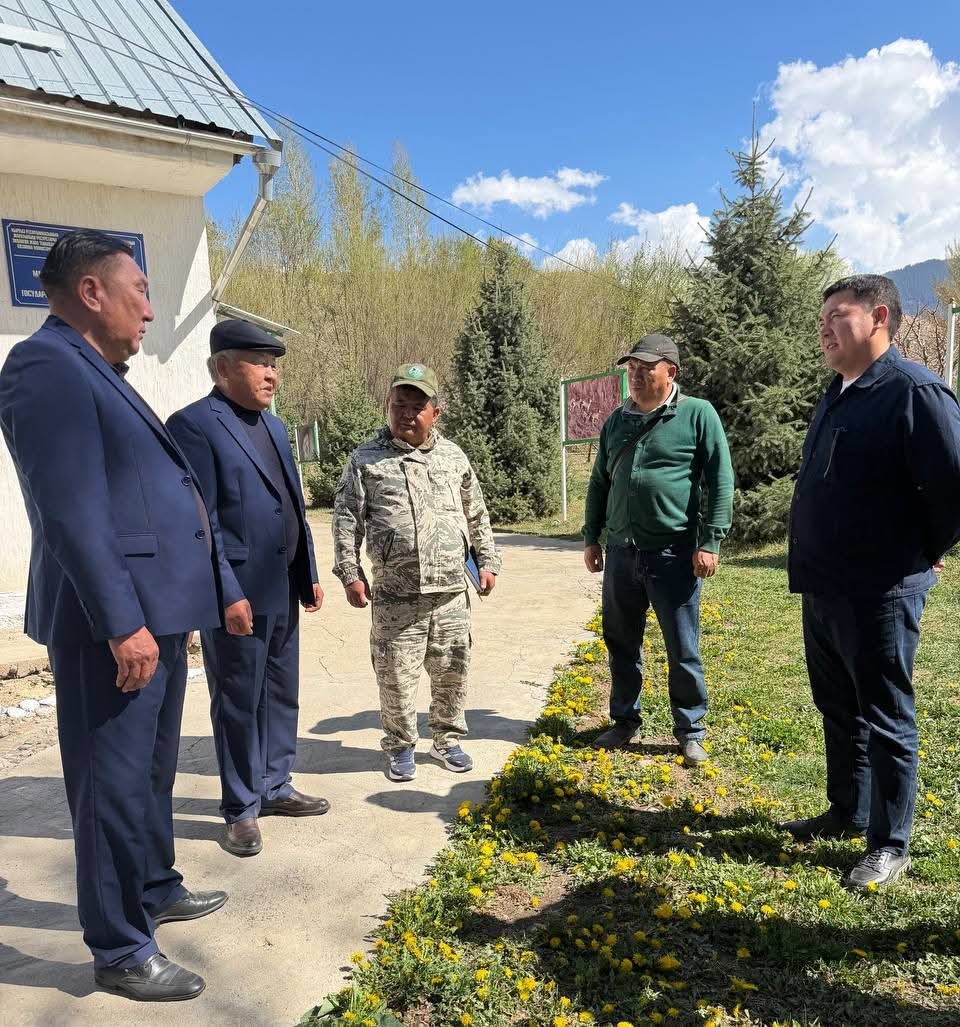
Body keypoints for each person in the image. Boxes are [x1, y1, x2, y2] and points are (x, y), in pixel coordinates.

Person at [0, 230, 228, 1001]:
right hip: (112, 625)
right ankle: (122, 946)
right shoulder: (45, 365)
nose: (150, 310)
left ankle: (153, 884)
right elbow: (71, 509)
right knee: (110, 787)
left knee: (149, 775)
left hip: (153, 617)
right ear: (92, 292)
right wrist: (121, 620)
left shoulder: (93, 369)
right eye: (141, 292)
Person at [783, 274, 960, 889]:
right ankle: (848, 811)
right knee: (838, 706)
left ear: (879, 317)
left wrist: (921, 550)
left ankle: (889, 844)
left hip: (880, 588)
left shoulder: (914, 392)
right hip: (825, 586)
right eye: (822, 319)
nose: (824, 329)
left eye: (838, 315)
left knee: (884, 715)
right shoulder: (837, 393)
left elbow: (953, 487)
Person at [167, 320, 328, 858]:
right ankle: (240, 808)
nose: (271, 374)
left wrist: (307, 570)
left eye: (274, 364)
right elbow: (201, 521)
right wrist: (225, 592)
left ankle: (275, 784)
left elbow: (291, 502)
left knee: (281, 691)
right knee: (238, 700)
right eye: (259, 363)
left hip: (281, 584)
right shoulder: (195, 425)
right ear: (223, 367)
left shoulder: (275, 427)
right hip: (238, 593)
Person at [332, 363, 500, 782]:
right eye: (399, 405)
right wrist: (350, 572)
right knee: (395, 676)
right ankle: (401, 745)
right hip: (395, 594)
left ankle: (447, 739)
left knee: (452, 672)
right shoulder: (366, 459)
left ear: (435, 413)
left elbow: (476, 513)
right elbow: (347, 520)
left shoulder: (453, 456)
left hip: (450, 593)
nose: (406, 414)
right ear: (387, 407)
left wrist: (487, 561)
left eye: (417, 406)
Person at [583, 334, 734, 765]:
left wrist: (710, 541)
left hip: (673, 554)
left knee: (682, 647)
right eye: (631, 367)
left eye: (646, 367)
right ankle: (624, 720)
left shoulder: (697, 414)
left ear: (671, 371)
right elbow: (599, 482)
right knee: (620, 642)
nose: (636, 375)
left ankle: (690, 729)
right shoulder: (616, 421)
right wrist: (592, 537)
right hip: (622, 553)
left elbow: (720, 480)